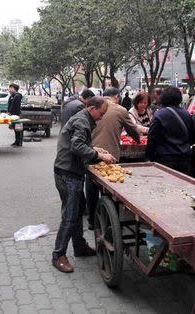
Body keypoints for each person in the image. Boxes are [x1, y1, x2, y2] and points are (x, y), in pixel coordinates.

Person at [52, 96, 116, 273]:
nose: (101, 118)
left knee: (78, 211)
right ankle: (58, 255)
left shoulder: (83, 118)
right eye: (101, 114)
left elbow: (79, 144)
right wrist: (99, 156)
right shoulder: (82, 120)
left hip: (71, 171)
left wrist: (95, 150)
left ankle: (79, 247)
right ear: (92, 108)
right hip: (68, 174)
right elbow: (77, 146)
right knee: (70, 216)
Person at [86, 87, 140, 230]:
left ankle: (92, 220)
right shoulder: (120, 110)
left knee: (91, 187)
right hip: (110, 155)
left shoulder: (91, 109)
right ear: (116, 97)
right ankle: (110, 221)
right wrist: (138, 140)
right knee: (111, 189)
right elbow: (132, 130)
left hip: (90, 153)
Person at [147, 87, 193, 175]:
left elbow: (152, 138)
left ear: (163, 98)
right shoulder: (186, 114)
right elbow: (192, 136)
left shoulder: (159, 114)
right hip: (185, 158)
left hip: (165, 158)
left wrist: (149, 157)